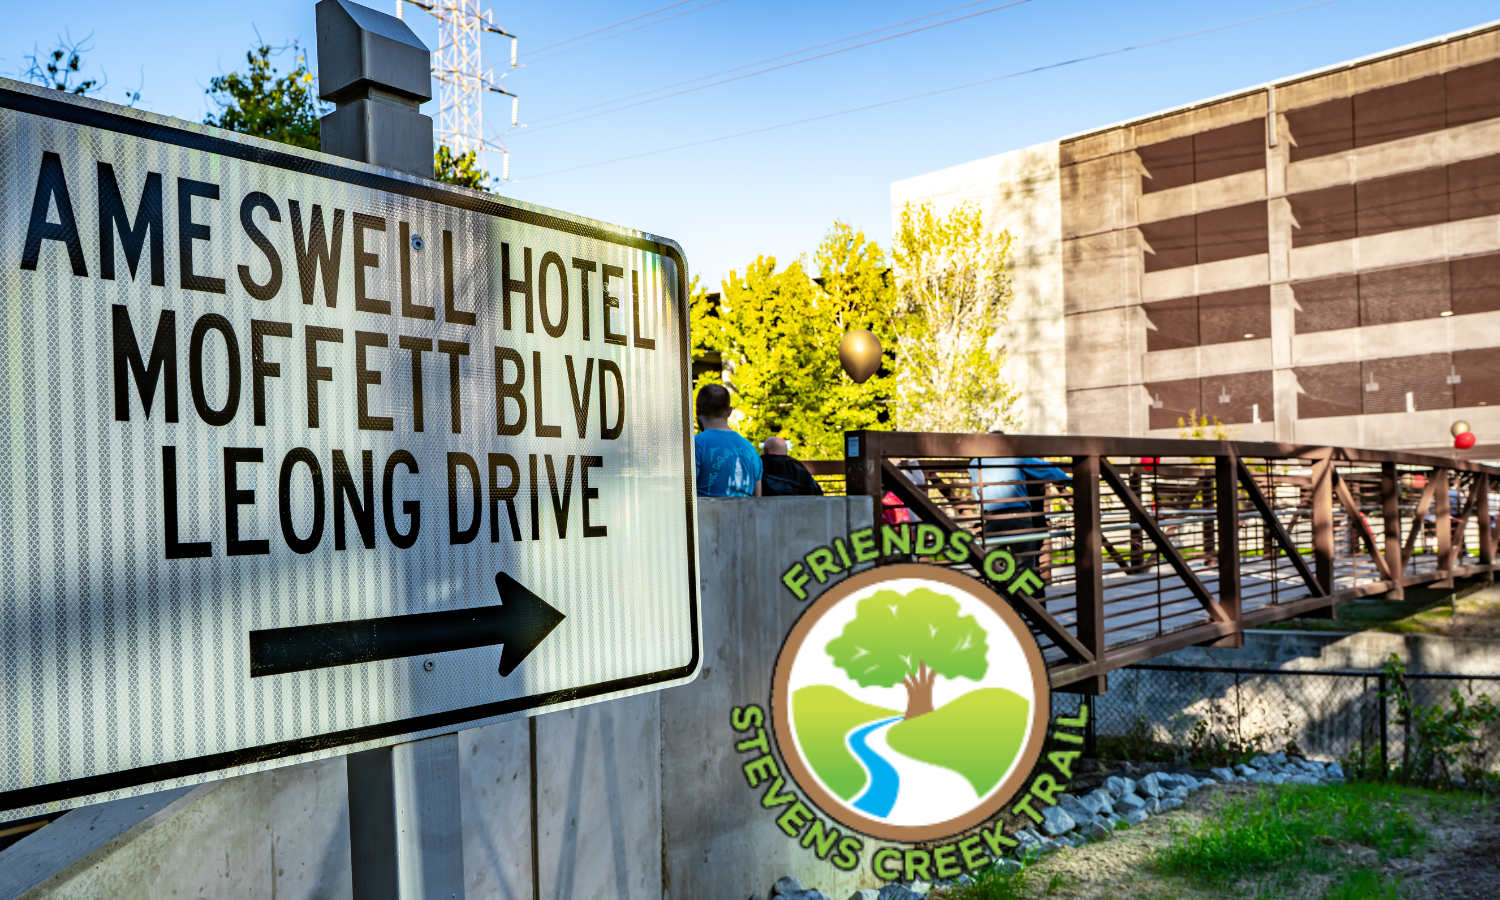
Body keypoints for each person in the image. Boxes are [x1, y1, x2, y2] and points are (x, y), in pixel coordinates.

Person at [970, 432, 1070, 594]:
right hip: (1019, 518)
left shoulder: (976, 462)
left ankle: (1004, 608)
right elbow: (1046, 470)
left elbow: (977, 493)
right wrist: (1070, 480)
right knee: (1025, 569)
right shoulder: (1013, 456)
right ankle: (1034, 612)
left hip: (992, 520)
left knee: (993, 568)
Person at [694, 384, 762, 497]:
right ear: (730, 411)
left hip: (706, 514)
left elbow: (683, 498)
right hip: (745, 515)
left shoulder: (694, 445)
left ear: (697, 409)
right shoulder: (752, 450)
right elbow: (757, 502)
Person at [760, 436, 824, 497]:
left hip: (766, 506)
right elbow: (816, 492)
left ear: (766, 450)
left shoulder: (760, 465)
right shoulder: (800, 468)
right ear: (786, 452)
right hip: (799, 506)